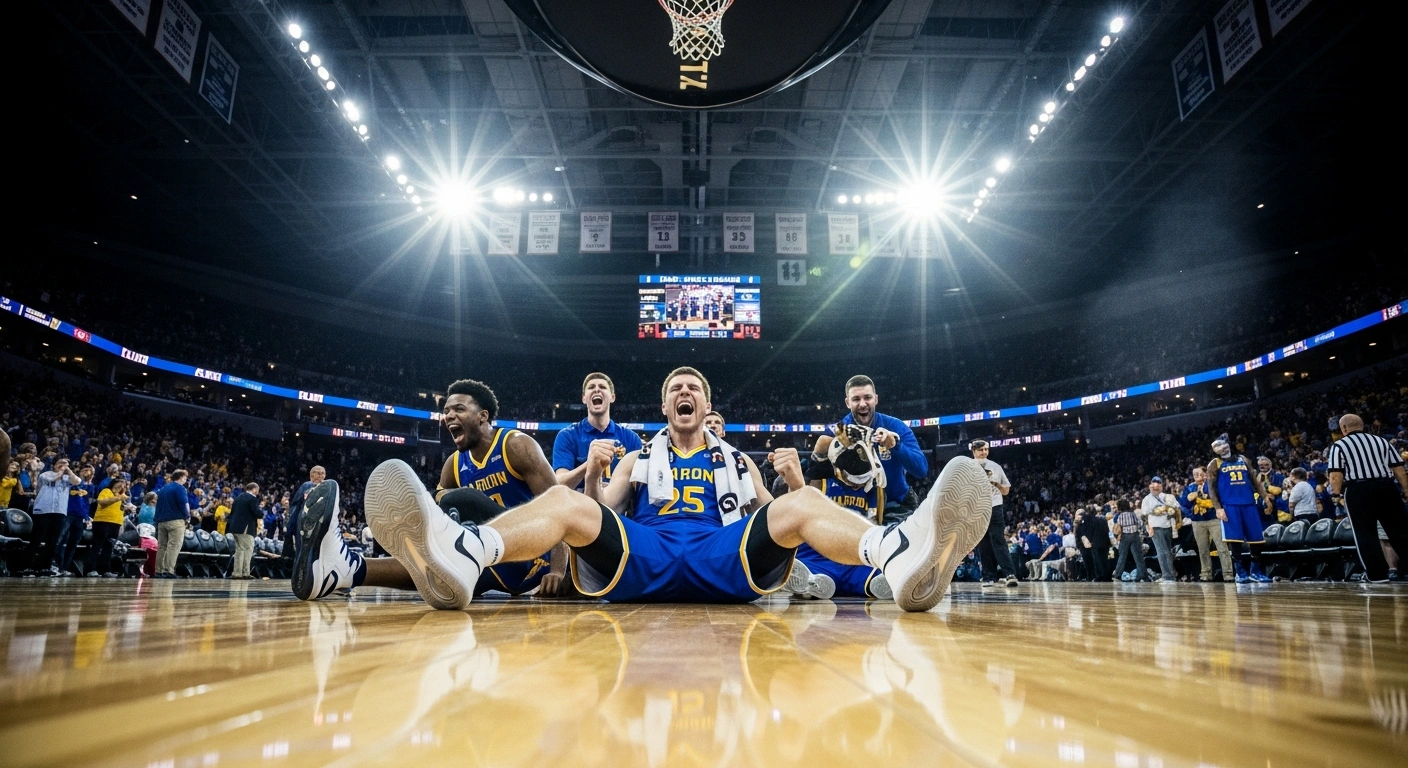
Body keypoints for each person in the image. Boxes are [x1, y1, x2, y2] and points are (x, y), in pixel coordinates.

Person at [297, 367, 991, 613]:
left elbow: (771, 517)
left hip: (725, 557)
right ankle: (463, 555)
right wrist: (598, 474)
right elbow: (600, 511)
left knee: (800, 505)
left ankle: (898, 556)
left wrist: (790, 488)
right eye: (674, 391)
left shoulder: (731, 454)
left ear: (707, 403)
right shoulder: (641, 452)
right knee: (568, 504)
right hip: (645, 554)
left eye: (694, 389)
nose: (684, 393)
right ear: (664, 410)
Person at [293, 379, 563, 602]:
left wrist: (559, 570)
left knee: (458, 502)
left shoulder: (515, 445)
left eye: (459, 409)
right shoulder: (453, 465)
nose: (449, 416)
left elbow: (559, 507)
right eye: (446, 411)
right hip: (489, 555)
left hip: (532, 557)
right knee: (443, 564)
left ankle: (348, 567)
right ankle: (343, 569)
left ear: (483, 417)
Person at [783, 422, 892, 600]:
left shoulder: (876, 487)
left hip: (852, 555)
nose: (858, 486)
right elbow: (821, 444)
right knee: (806, 565)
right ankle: (810, 582)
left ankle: (878, 582)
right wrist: (843, 432)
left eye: (862, 481)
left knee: (871, 570)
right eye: (854, 480)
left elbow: (875, 525)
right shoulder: (821, 478)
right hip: (819, 552)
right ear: (839, 470)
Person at [819, 375, 929, 523]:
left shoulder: (895, 426)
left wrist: (895, 445)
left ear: (876, 399)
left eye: (867, 398)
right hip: (856, 505)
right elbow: (818, 478)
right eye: (856, 399)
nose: (863, 404)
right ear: (847, 402)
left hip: (896, 504)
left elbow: (921, 469)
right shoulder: (836, 433)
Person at [1326, 414, 1408, 584]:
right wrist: (1406, 489)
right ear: (1362, 426)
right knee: (1400, 530)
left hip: (1358, 489)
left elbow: (1335, 474)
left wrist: (1335, 495)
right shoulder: (1381, 441)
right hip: (1386, 487)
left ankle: (1377, 576)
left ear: (1344, 428)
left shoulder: (1339, 445)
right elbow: (1398, 468)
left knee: (1365, 533)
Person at [552, 373, 642, 491]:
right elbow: (560, 485)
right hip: (581, 508)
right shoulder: (567, 436)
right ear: (584, 398)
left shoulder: (631, 438)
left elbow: (639, 485)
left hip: (616, 508)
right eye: (591, 387)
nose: (597, 390)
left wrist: (612, 490)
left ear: (612, 397)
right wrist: (590, 464)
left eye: (603, 387)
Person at [1206, 434, 1272, 583]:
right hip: (1230, 505)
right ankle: (1240, 572)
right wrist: (1218, 508)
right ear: (1215, 451)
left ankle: (1255, 571)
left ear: (1228, 444)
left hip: (1249, 503)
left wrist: (1265, 497)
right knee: (1234, 539)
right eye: (1216, 446)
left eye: (1222, 444)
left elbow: (1255, 481)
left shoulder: (1243, 459)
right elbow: (1211, 489)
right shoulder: (1214, 464)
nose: (1221, 447)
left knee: (1257, 539)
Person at [968, 440, 1019, 587]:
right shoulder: (968, 467)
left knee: (999, 540)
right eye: (980, 450)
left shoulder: (995, 467)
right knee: (983, 543)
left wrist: (995, 484)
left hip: (995, 506)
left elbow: (1006, 490)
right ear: (973, 451)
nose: (984, 452)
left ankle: (1009, 573)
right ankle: (988, 575)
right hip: (978, 507)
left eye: (986, 449)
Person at [23, 457, 83, 577]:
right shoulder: (45, 474)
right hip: (43, 510)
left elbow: (77, 481)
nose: (64, 465)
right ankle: (26, 566)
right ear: (54, 464)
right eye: (61, 463)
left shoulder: (68, 478)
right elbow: (53, 479)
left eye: (66, 463)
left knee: (53, 541)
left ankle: (44, 567)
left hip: (59, 511)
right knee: (37, 539)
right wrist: (61, 472)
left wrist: (69, 472)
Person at [1184, 467, 1231, 581]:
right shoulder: (1190, 488)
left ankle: (1228, 573)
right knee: (1202, 549)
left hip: (1214, 519)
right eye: (1195, 474)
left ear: (1205, 474)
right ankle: (1206, 573)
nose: (1197, 475)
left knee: (1222, 547)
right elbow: (1183, 504)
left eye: (1200, 473)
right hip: (1197, 522)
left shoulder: (1213, 485)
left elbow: (1219, 499)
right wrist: (1191, 513)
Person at [153, 469, 192, 579]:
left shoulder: (163, 489)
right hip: (176, 521)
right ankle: (168, 570)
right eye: (185, 477)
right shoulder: (180, 488)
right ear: (180, 477)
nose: (185, 479)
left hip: (161, 521)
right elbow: (184, 504)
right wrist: (187, 517)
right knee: (174, 546)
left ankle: (158, 571)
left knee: (161, 547)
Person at [57, 465, 96, 576]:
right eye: (84, 469)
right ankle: (56, 565)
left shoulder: (92, 487)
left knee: (73, 543)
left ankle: (65, 567)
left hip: (81, 516)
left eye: (88, 470)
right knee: (61, 540)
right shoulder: (71, 482)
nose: (85, 472)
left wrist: (87, 516)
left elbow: (88, 502)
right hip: (67, 513)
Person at [1141, 477, 1180, 583]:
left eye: (1158, 486)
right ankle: (1168, 575)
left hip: (1168, 526)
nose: (1156, 488)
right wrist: (1148, 528)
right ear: (1150, 487)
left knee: (1167, 551)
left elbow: (1177, 508)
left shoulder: (1167, 497)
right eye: (1154, 486)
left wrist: (1169, 509)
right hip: (1155, 527)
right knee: (1162, 552)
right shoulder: (1147, 499)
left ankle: (1170, 574)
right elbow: (1144, 516)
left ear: (1162, 487)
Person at [91, 478, 131, 577]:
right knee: (97, 546)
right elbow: (102, 502)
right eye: (121, 482)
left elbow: (120, 509)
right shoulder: (106, 491)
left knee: (108, 548)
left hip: (115, 523)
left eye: (124, 484)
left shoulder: (121, 496)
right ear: (114, 483)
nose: (123, 485)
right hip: (102, 521)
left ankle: (105, 570)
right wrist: (119, 498)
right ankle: (90, 569)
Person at [227, 482, 262, 580]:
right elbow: (257, 513)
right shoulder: (252, 499)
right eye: (257, 490)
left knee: (239, 550)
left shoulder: (238, 498)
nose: (257, 492)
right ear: (254, 489)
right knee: (248, 549)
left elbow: (232, 513)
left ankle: (237, 572)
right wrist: (261, 512)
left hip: (235, 528)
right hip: (245, 528)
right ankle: (245, 572)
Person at [1111, 498, 1148, 582]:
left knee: (1122, 556)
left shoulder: (1120, 516)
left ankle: (1117, 575)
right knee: (1138, 557)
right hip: (1135, 536)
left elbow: (1118, 527)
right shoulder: (1133, 514)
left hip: (1125, 536)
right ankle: (1143, 575)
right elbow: (1140, 524)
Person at [1077, 505, 1113, 581]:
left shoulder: (1089, 520)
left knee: (1098, 562)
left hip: (1096, 543)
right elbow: (1107, 531)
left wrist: (1089, 541)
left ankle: (1100, 577)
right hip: (1105, 543)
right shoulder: (1103, 520)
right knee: (1105, 560)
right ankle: (1107, 577)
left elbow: (1088, 532)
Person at [1256, 456, 1287, 526]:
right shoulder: (1256, 477)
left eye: (1265, 465)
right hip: (1260, 502)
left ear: (1270, 465)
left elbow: (1280, 490)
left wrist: (1267, 488)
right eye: (1260, 465)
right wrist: (1264, 495)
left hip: (1275, 502)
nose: (1262, 467)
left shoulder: (1278, 476)